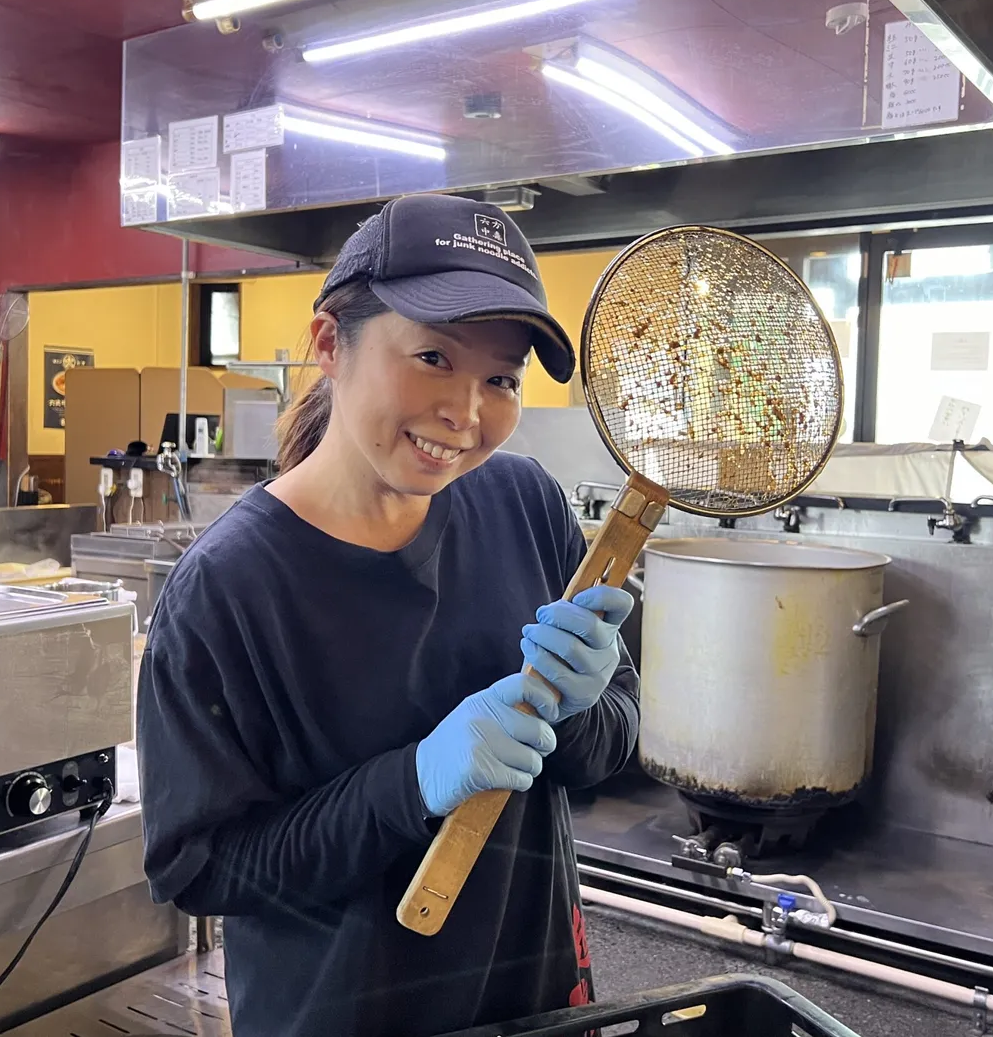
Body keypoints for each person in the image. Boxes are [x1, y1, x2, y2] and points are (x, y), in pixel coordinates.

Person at [137, 193, 639, 1037]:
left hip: (538, 1008)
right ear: (329, 342)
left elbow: (611, 743)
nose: (467, 413)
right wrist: (412, 783)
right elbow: (201, 868)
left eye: (501, 378)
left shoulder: (525, 504)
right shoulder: (227, 588)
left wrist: (582, 707)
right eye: (433, 356)